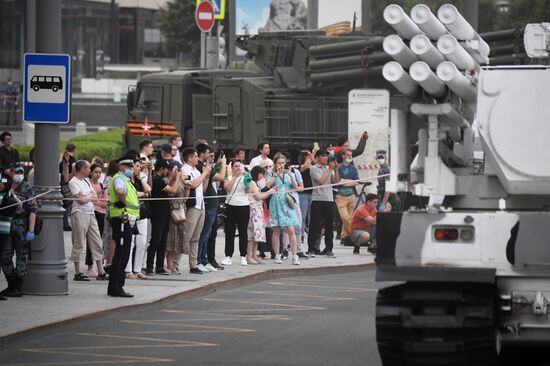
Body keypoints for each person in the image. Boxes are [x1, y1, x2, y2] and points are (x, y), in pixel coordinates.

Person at [0, 163, 36, 297]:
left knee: (22, 257)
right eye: (17, 172)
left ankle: (18, 287)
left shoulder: (28, 188)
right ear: (11, 172)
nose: (19, 174)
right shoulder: (6, 186)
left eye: (21, 172)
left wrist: (31, 230)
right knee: (5, 256)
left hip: (22, 225)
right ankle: (11, 283)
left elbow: (33, 210)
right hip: (6, 225)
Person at [68, 160, 108, 281]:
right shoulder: (73, 182)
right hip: (79, 213)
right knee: (79, 242)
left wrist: (88, 197)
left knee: (97, 241)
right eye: (88, 168)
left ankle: (101, 271)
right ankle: (78, 272)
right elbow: (81, 200)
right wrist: (89, 196)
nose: (90, 171)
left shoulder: (86, 181)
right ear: (82, 169)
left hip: (90, 213)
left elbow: (94, 197)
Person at [107, 155, 140, 297]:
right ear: (121, 167)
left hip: (125, 219)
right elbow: (120, 191)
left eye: (132, 166)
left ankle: (114, 287)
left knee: (123, 253)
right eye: (128, 166)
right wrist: (124, 202)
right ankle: (116, 288)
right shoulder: (119, 178)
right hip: (122, 218)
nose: (131, 169)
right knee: (122, 254)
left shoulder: (126, 180)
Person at [146, 159, 181, 275]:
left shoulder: (161, 180)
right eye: (167, 169)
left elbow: (169, 191)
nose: (168, 171)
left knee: (163, 242)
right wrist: (178, 178)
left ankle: (159, 266)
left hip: (165, 214)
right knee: (155, 241)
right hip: (158, 214)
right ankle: (149, 267)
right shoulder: (156, 180)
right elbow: (173, 190)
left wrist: (173, 178)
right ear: (162, 169)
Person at [267, 154, 301, 265]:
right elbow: (267, 186)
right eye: (279, 163)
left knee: (291, 230)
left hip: (286, 203)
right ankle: (277, 255)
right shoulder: (271, 174)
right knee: (276, 230)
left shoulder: (288, 175)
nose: (281, 165)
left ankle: (295, 255)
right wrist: (275, 175)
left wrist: (291, 176)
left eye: (283, 163)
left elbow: (296, 187)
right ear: (275, 164)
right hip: (275, 202)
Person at [197, 144, 226, 272]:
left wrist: (217, 164)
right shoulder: (202, 168)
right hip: (208, 204)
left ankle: (206, 260)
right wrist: (224, 164)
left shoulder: (208, 167)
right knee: (204, 235)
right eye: (209, 154)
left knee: (209, 235)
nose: (211, 157)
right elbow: (220, 177)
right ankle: (200, 261)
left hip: (212, 204)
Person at [181, 147, 211, 274]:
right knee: (186, 236)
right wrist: (204, 174)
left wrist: (206, 174)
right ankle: (175, 263)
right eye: (195, 156)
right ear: (189, 158)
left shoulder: (197, 171)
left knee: (196, 238)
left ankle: (193, 265)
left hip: (201, 206)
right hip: (192, 207)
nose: (197, 159)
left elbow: (203, 188)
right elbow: (191, 184)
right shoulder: (185, 169)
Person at [307, 149, 339, 258]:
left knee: (329, 227)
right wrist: (330, 169)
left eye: (326, 156)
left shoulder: (328, 169)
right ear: (317, 158)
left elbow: (335, 182)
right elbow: (320, 181)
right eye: (323, 156)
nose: (326, 158)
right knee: (314, 226)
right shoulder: (313, 168)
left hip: (329, 200)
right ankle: (311, 249)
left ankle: (329, 249)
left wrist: (336, 170)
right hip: (317, 200)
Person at [125, 159, 152, 279]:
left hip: (142, 213)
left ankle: (138, 268)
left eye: (140, 167)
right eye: (137, 166)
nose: (139, 169)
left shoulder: (139, 179)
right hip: (130, 213)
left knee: (141, 242)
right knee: (130, 242)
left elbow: (148, 190)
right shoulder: (125, 180)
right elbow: (133, 194)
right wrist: (141, 194)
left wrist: (141, 179)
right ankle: (128, 270)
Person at [246, 166, 277, 264]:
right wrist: (270, 192)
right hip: (254, 210)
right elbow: (258, 197)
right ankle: (249, 256)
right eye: (262, 174)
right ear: (258, 173)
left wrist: (268, 192)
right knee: (251, 235)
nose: (262, 176)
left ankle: (254, 255)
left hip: (257, 210)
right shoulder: (252, 183)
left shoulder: (255, 183)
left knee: (257, 235)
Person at [221, 159, 249, 266]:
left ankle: (243, 256)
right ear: (232, 168)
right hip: (231, 206)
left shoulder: (245, 177)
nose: (238, 168)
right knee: (230, 232)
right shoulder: (228, 178)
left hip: (243, 206)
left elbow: (248, 190)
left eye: (239, 166)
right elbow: (227, 188)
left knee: (243, 232)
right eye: (236, 166)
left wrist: (246, 177)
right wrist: (235, 177)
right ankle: (228, 256)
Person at [84, 163, 108, 277]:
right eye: (95, 172)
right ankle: (89, 266)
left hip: (101, 214)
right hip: (91, 213)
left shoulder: (102, 185)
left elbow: (105, 203)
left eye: (100, 172)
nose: (98, 174)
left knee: (100, 241)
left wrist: (95, 200)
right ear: (90, 172)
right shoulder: (88, 185)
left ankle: (100, 264)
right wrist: (96, 196)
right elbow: (87, 200)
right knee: (90, 241)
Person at [336, 148, 360, 245]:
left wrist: (344, 182)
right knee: (345, 218)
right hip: (341, 196)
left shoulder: (353, 168)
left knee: (349, 218)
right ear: (343, 156)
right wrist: (350, 182)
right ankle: (354, 235)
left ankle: (344, 237)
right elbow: (338, 181)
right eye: (348, 155)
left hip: (352, 195)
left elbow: (357, 181)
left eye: (351, 155)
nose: (350, 156)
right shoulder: (338, 167)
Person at [102, 160, 119, 274]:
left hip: (112, 210)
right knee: (109, 238)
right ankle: (108, 262)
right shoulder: (110, 179)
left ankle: (110, 261)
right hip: (110, 211)